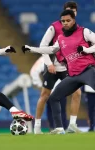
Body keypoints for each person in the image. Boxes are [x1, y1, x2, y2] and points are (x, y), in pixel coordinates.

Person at [22, 9, 95, 134]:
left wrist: (86, 50)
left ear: (74, 20)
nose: (65, 23)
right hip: (73, 74)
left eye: (68, 20)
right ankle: (60, 129)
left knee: (75, 95)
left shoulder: (84, 31)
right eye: (63, 21)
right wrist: (31, 49)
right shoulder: (60, 38)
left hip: (87, 70)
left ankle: (71, 125)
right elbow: (50, 49)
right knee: (53, 98)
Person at [30, 1, 81, 134]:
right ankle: (37, 127)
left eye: (74, 11)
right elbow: (43, 45)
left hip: (67, 68)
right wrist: (49, 63)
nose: (72, 12)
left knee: (77, 93)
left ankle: (72, 125)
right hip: (53, 66)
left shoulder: (79, 30)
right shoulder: (54, 27)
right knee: (45, 95)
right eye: (69, 10)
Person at [30, 56, 67, 131]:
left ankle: (60, 128)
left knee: (61, 109)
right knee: (55, 109)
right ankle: (54, 127)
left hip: (60, 89)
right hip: (51, 89)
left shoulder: (65, 56)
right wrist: (40, 86)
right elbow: (34, 71)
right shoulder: (44, 58)